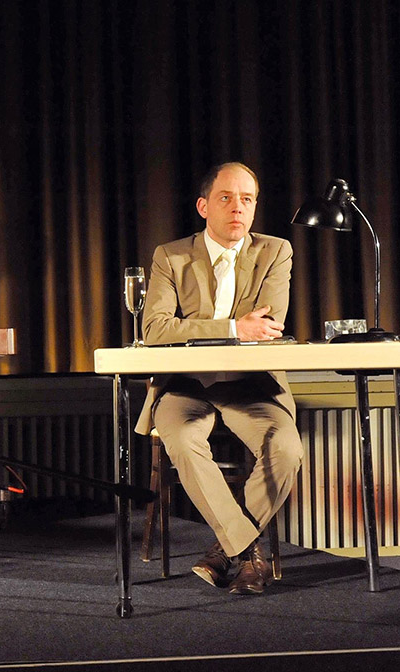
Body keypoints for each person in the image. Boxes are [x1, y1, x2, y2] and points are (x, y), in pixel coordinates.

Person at [136, 161, 303, 595]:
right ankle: (248, 552)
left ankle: (223, 551)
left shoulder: (275, 251)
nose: (238, 208)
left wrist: (202, 328)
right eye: (227, 198)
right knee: (185, 441)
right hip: (185, 383)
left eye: (247, 199)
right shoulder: (170, 256)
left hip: (250, 383)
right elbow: (154, 329)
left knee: (285, 448)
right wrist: (232, 328)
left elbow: (268, 325)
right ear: (203, 206)